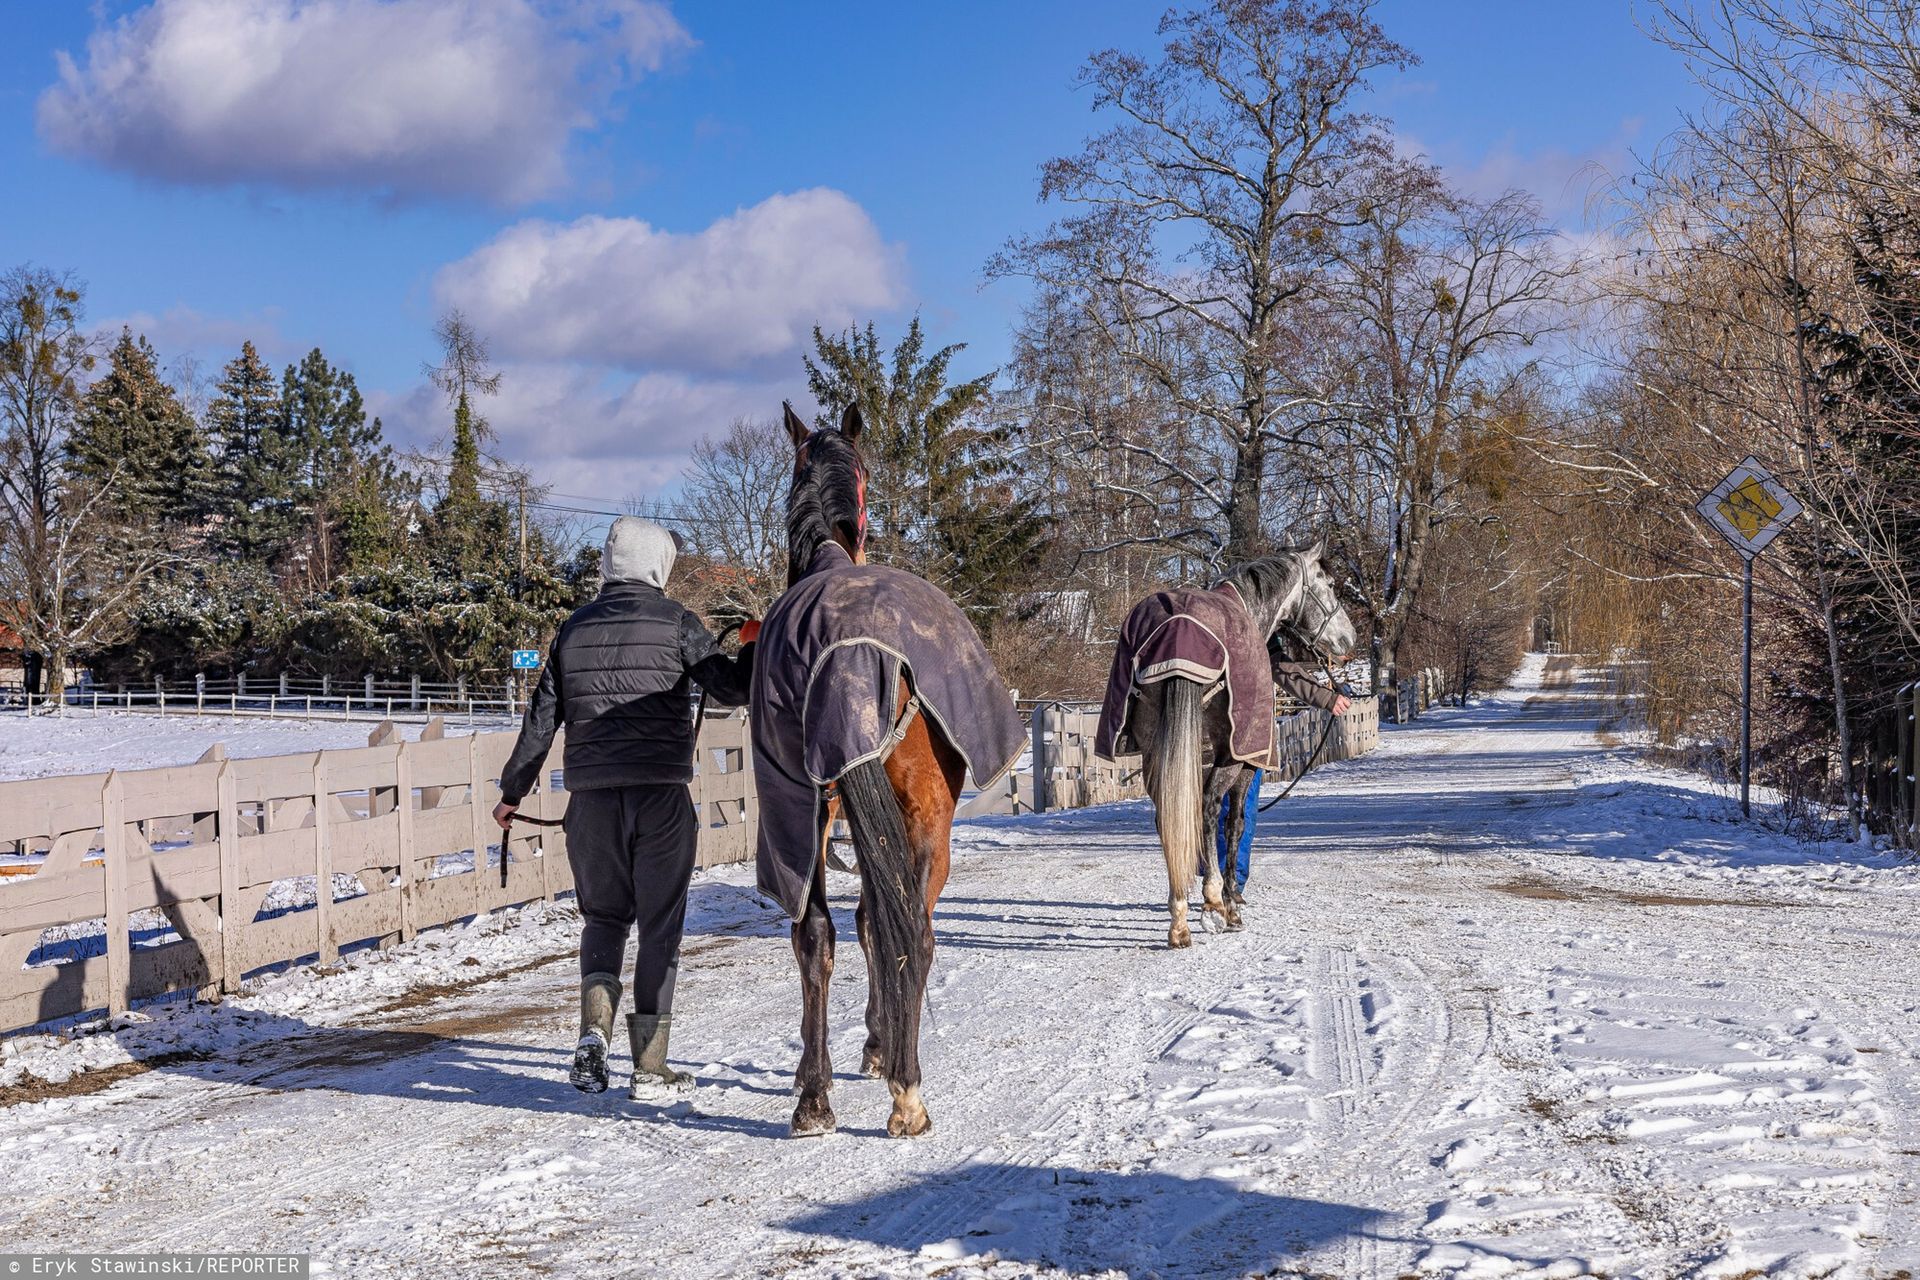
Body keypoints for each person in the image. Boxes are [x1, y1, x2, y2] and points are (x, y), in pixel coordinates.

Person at [493, 516, 755, 1098]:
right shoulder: (678, 623)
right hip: (660, 798)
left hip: (590, 803)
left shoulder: (571, 630)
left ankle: (593, 1033)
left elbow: (540, 721)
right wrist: (754, 644)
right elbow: (733, 688)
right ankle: (650, 1064)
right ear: (658, 564)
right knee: (660, 925)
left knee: (605, 919)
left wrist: (513, 793)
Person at [1215, 661, 1352, 903]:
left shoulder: (1261, 629)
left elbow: (1280, 665)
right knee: (1218, 809)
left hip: (1247, 731)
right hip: (1223, 729)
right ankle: (1219, 877)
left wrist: (1325, 697)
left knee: (1240, 808)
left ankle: (1229, 881)